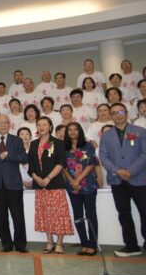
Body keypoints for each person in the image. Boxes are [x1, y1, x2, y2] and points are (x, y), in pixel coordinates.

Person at [99, 102, 146, 257]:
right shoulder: (106, 135)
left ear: (126, 113)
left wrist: (131, 171)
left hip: (139, 179)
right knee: (124, 214)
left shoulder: (140, 131)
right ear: (110, 116)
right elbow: (103, 157)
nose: (118, 115)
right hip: (117, 180)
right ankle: (131, 246)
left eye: (120, 112)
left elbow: (144, 154)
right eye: (114, 113)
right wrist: (117, 171)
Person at [0, 115, 29, 253]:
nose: (3, 125)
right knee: (1, 217)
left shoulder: (17, 140)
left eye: (5, 122)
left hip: (14, 184)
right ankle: (6, 244)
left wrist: (9, 155)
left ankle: (20, 244)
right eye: (0, 123)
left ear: (9, 124)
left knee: (18, 216)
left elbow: (24, 158)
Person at [28, 117, 73, 255]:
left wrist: (48, 178)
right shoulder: (34, 144)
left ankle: (59, 242)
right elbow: (31, 165)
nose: (41, 127)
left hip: (55, 184)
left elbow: (61, 163)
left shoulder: (58, 143)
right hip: (40, 185)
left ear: (50, 127)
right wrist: (37, 178)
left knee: (59, 213)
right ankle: (49, 241)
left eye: (44, 124)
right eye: (39, 125)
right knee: (45, 213)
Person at [63, 122, 100, 256]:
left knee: (91, 214)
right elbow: (63, 166)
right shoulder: (64, 148)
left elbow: (91, 164)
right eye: (70, 130)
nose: (73, 132)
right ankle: (84, 243)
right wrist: (72, 181)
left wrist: (78, 179)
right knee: (78, 215)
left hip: (88, 185)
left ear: (80, 131)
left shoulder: (88, 146)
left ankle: (93, 245)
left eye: (75, 129)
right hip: (72, 187)